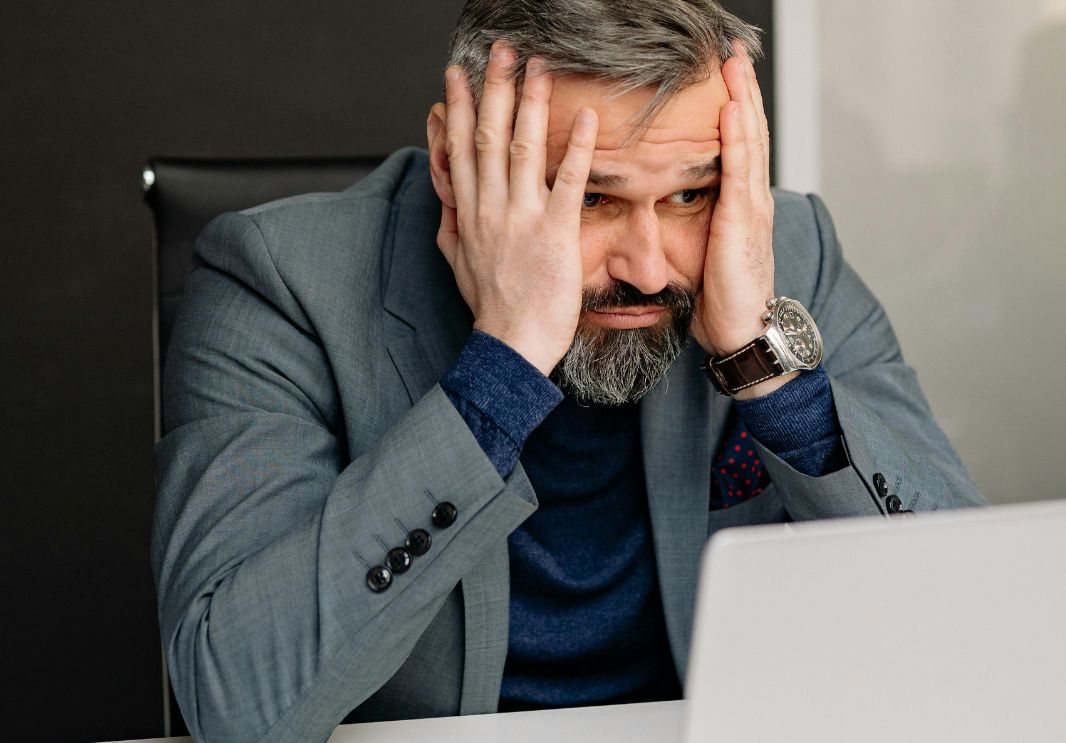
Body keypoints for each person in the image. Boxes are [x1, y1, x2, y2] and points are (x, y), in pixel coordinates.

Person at [152, 1, 984, 741]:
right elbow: (236, 705)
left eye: (690, 194)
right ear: (452, 159)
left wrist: (761, 368)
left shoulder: (787, 250)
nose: (650, 267)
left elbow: (971, 621)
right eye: (587, 198)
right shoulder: (279, 278)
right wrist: (504, 363)